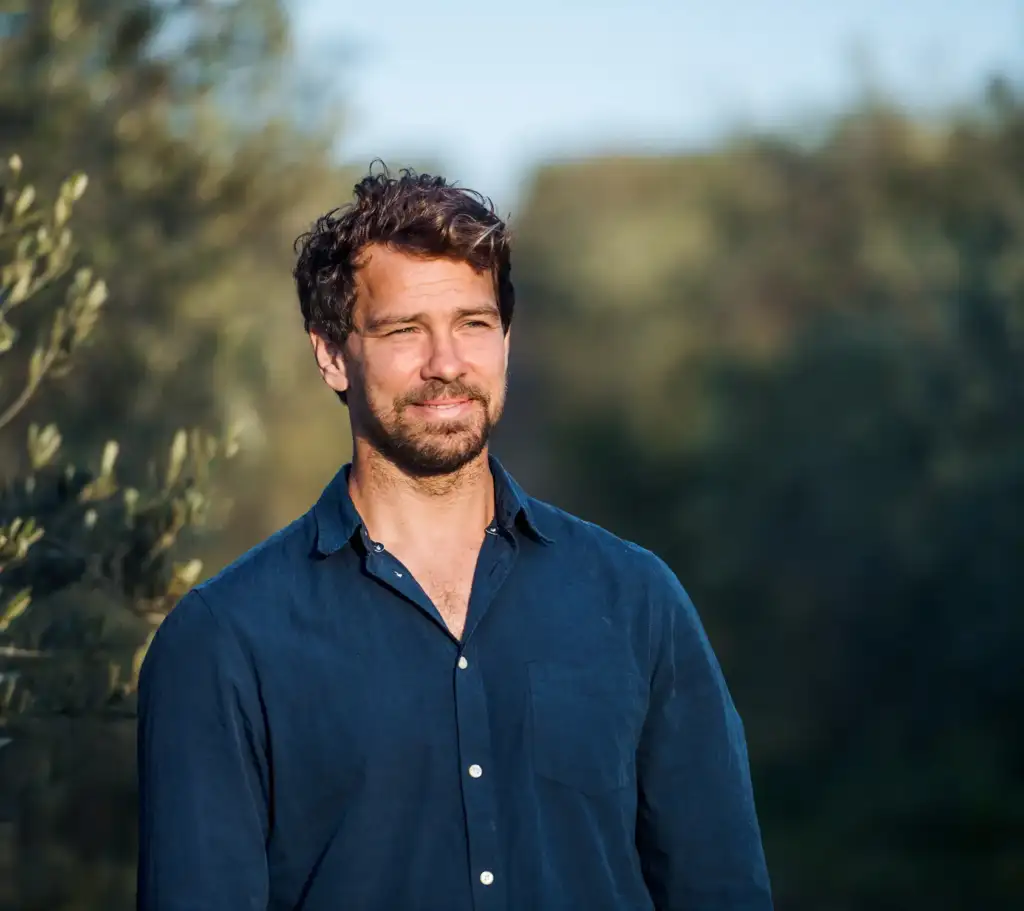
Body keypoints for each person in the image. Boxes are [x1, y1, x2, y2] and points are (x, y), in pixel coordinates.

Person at [136, 167, 774, 911]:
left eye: (472, 324)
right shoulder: (223, 642)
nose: (447, 363)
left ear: (505, 340)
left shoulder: (636, 601)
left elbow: (720, 889)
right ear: (333, 355)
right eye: (405, 329)